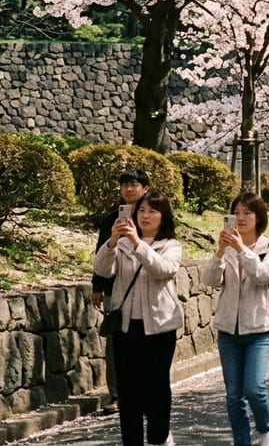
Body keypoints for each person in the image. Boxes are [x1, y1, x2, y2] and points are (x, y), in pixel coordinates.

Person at [92, 190, 183, 446]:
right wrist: (112, 241)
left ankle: (159, 438)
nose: (145, 216)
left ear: (163, 217)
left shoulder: (171, 245)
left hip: (160, 326)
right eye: (141, 210)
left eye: (152, 211)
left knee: (156, 387)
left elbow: (163, 270)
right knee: (129, 392)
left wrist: (137, 244)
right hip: (126, 325)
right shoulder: (121, 243)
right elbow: (102, 269)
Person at [201, 192, 269, 446]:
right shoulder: (227, 248)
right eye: (236, 213)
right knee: (234, 396)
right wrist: (219, 252)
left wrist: (242, 250)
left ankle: (266, 429)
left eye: (247, 213)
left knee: (254, 388)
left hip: (261, 327)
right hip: (228, 330)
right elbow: (210, 281)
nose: (241, 218)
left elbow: (264, 275)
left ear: (259, 217)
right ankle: (241, 442)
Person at [91, 169, 150, 414]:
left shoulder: (153, 214)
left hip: (145, 285)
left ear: (145, 188)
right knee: (115, 341)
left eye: (134, 184)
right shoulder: (112, 217)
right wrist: (97, 285)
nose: (128, 189)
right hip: (115, 287)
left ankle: (143, 389)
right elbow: (101, 251)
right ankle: (116, 394)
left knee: (143, 339)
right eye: (124, 184)